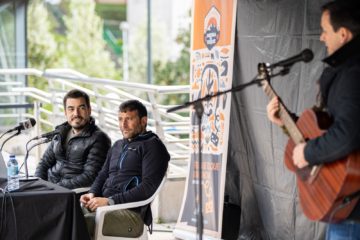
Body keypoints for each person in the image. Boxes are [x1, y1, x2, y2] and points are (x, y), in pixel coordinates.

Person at [267, 1, 360, 239]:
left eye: (325, 30)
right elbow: (329, 128)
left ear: (343, 34)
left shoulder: (352, 74)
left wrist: (309, 153)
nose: (320, 37)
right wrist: (286, 121)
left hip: (353, 211)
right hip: (346, 207)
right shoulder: (345, 71)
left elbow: (347, 134)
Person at [80, 99, 170, 237]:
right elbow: (103, 174)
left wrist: (110, 201)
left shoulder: (153, 146)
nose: (123, 125)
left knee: (79, 222)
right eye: (120, 119)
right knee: (65, 213)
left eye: (129, 119)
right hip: (104, 205)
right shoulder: (117, 145)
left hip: (130, 213)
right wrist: (92, 193)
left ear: (143, 121)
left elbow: (147, 188)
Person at [35, 89, 111, 189]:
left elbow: (90, 176)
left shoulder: (99, 138)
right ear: (65, 112)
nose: (76, 113)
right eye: (71, 109)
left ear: (89, 110)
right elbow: (44, 163)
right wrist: (38, 184)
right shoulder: (61, 132)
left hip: (73, 194)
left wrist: (55, 188)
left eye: (81, 108)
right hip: (50, 188)